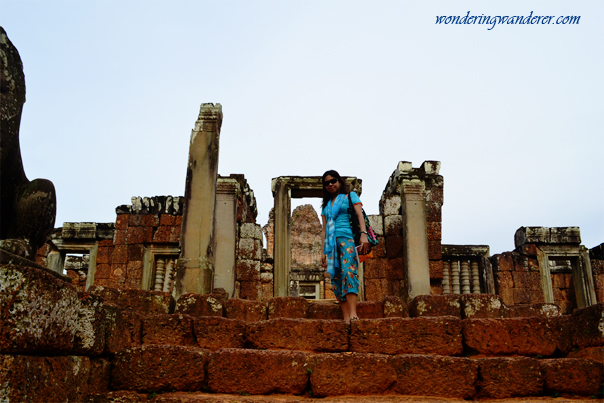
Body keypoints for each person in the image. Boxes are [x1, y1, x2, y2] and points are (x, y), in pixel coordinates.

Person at [320, 170, 370, 322]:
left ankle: (353, 313)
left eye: (333, 181)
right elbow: (324, 230)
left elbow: (360, 215)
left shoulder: (350, 197)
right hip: (331, 245)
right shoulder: (326, 207)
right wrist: (323, 251)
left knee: (349, 272)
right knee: (336, 278)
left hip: (347, 240)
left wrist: (363, 234)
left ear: (340, 182)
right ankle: (346, 316)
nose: (330, 184)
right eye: (327, 183)